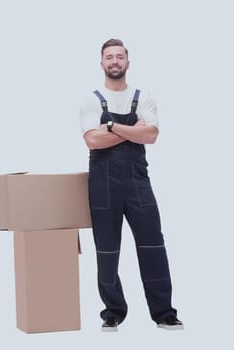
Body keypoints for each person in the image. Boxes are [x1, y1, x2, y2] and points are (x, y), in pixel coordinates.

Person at [80, 38, 183, 332]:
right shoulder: (91, 100)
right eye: (109, 57)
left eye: (119, 57)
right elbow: (92, 140)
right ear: (102, 63)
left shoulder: (144, 96)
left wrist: (111, 126)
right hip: (103, 185)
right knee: (107, 250)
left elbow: (151, 135)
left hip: (138, 183)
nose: (114, 61)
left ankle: (164, 313)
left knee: (153, 245)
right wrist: (132, 130)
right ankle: (112, 311)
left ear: (127, 62)